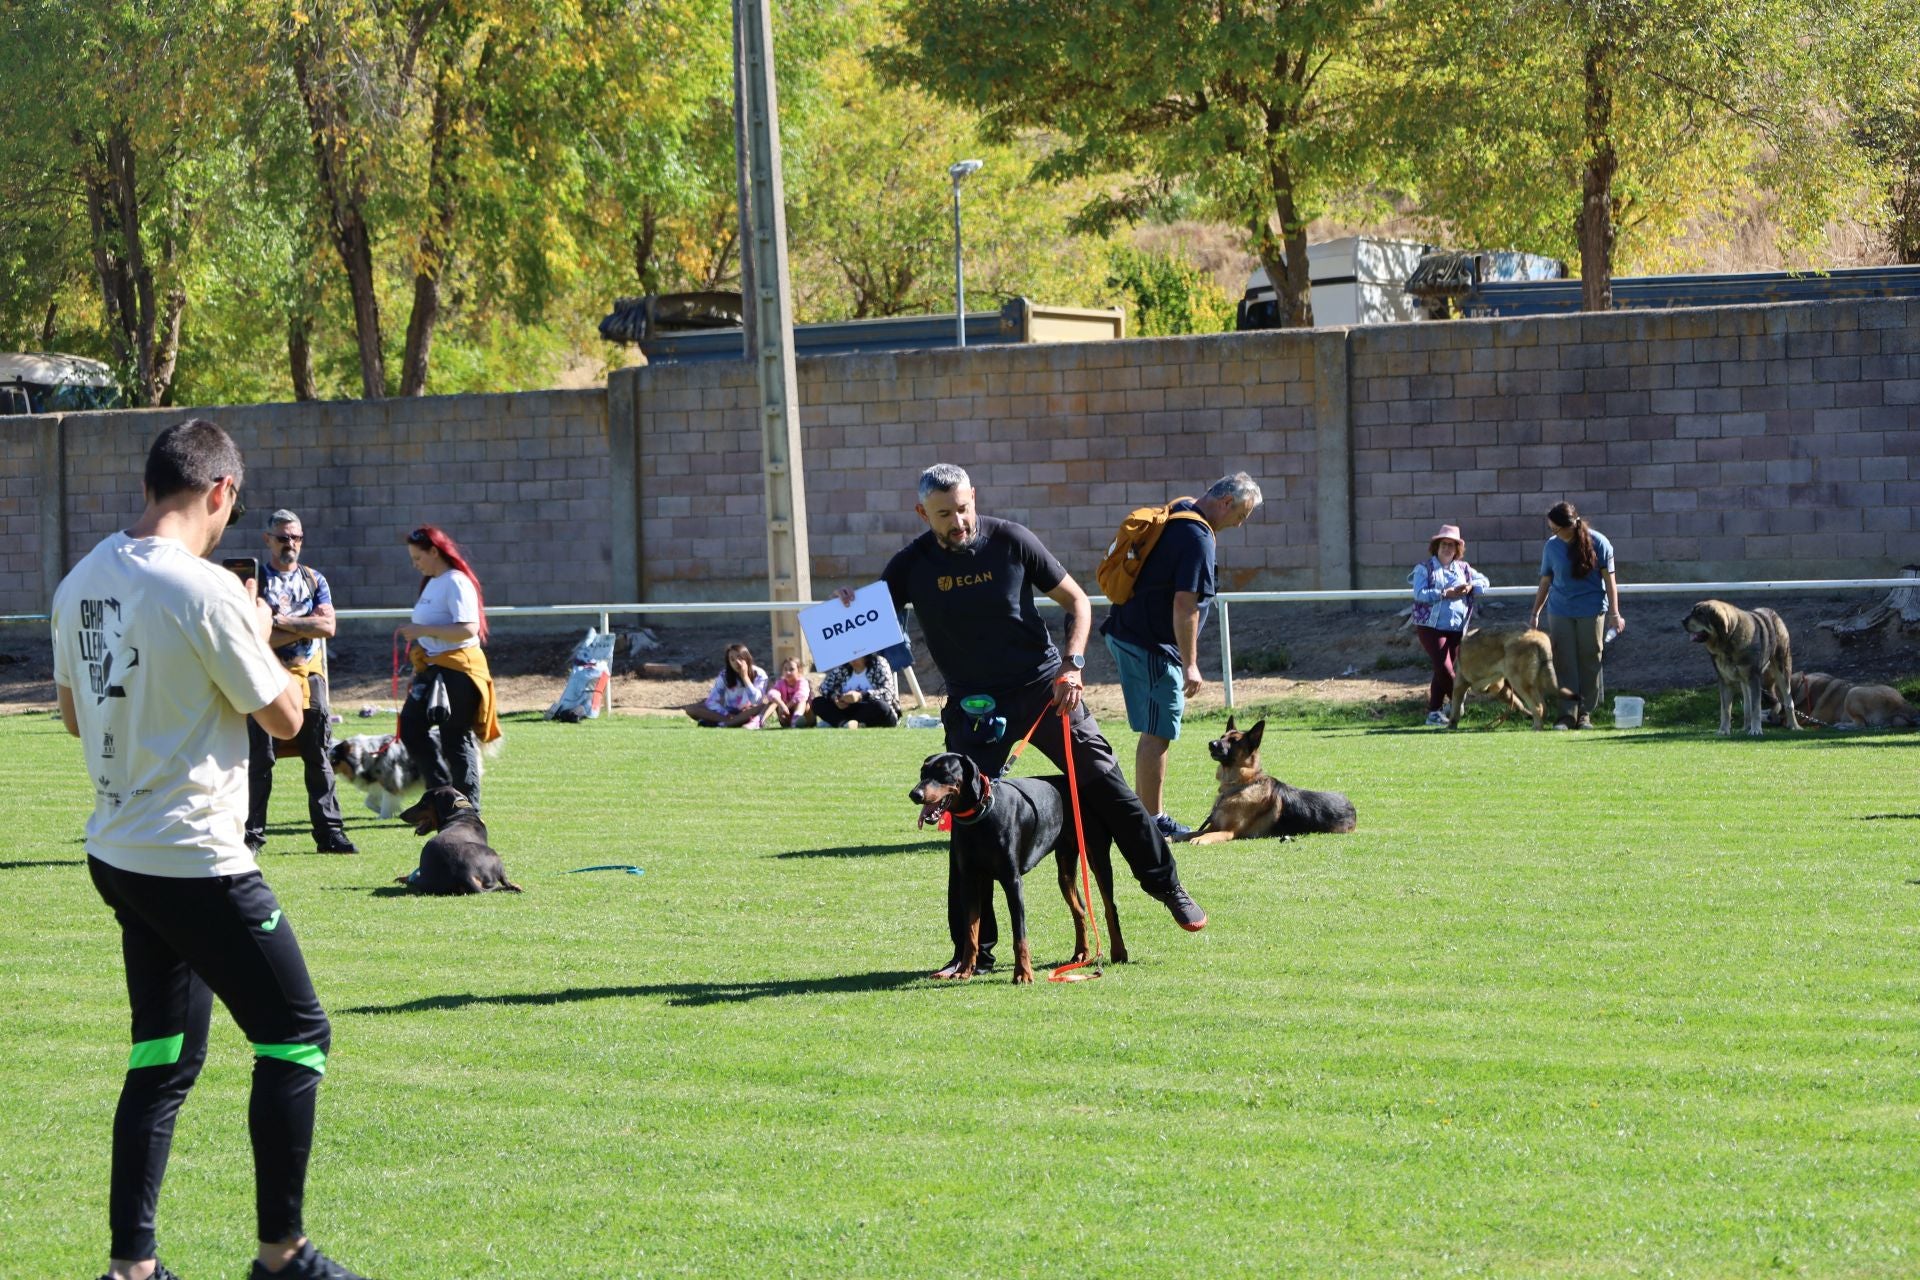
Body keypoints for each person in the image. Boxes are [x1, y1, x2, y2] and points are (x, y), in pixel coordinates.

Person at [49, 419, 371, 1280]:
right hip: (196, 855)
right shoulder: (208, 591)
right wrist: (258, 629)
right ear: (221, 493)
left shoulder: (79, 581)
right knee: (297, 1036)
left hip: (118, 851)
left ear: (151, 484)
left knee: (162, 1054)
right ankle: (282, 1255)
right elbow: (289, 720)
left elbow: (76, 714)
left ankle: (132, 1269)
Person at [836, 462, 1207, 978]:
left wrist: (1073, 666)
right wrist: (850, 611)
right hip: (972, 703)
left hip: (1044, 689)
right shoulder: (910, 565)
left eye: (963, 507)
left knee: (1105, 782)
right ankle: (973, 951)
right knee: (964, 819)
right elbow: (867, 633)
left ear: (973, 498)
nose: (959, 521)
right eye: (944, 514)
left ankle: (1168, 887)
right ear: (923, 513)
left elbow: (1077, 602)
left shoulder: (1012, 540)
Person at [1098, 472, 1262, 835]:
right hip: (1152, 644)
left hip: (1130, 632)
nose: (1241, 523)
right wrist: (1190, 664)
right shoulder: (1197, 536)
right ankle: (1151, 821)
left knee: (1155, 728)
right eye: (1242, 514)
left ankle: (1144, 816)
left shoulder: (1180, 509)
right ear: (1226, 503)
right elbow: (1185, 603)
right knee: (1158, 731)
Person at [245, 509, 356, 854]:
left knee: (318, 756)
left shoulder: (314, 580)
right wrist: (303, 622)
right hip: (263, 676)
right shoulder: (255, 581)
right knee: (259, 759)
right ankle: (251, 836)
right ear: (268, 540)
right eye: (282, 538)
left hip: (308, 672)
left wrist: (279, 621)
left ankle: (330, 834)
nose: (290, 544)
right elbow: (253, 636)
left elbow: (328, 628)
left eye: (296, 537)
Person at [398, 525, 501, 807]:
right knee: (410, 727)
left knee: (455, 737)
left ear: (434, 551)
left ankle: (468, 807)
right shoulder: (434, 581)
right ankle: (443, 794)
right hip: (433, 668)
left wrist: (423, 630)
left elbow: (469, 629)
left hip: (457, 669)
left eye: (418, 558)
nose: (415, 565)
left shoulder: (456, 581)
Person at [1527, 500, 1626, 730]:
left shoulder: (1599, 543)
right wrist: (1535, 612)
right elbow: (1545, 580)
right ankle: (1566, 715)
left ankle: (1584, 714)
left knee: (1590, 660)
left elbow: (1610, 582)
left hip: (1591, 611)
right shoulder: (1551, 547)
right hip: (1560, 611)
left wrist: (1615, 613)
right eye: (1550, 529)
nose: (1553, 534)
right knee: (1564, 662)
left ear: (1571, 524)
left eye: (1556, 529)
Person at [1409, 523, 1490, 727]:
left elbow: (1485, 583)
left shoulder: (1464, 569)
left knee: (1440, 671)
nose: (1447, 548)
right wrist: (1445, 593)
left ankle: (1434, 713)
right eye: (1444, 544)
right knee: (1445, 669)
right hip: (1430, 627)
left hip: (1456, 628)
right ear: (1436, 546)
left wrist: (1471, 587)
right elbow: (1419, 594)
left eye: (1452, 545)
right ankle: (1457, 701)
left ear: (1457, 550)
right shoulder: (1424, 568)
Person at [684, 643, 772, 727]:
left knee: (764, 707)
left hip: (747, 712)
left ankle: (721, 723)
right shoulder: (724, 675)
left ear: (747, 658)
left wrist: (745, 677)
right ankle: (731, 722)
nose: (737, 662)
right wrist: (727, 714)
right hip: (727, 714)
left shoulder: (759, 674)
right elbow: (711, 702)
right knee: (691, 709)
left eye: (740, 657)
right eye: (732, 659)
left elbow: (756, 700)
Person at [810, 651, 900, 728]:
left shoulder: (879, 662)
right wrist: (836, 698)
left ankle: (851, 723)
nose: (852, 658)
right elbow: (824, 687)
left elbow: (888, 692)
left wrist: (861, 696)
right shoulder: (843, 667)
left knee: (881, 706)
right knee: (818, 702)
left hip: (871, 708)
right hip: (848, 710)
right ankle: (844, 723)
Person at [763, 656, 811, 728]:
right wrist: (782, 705)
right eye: (785, 669)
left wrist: (787, 706)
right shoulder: (780, 683)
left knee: (802, 701)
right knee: (774, 700)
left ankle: (797, 719)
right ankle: (761, 720)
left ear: (799, 670)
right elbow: (772, 693)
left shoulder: (802, 682)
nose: (788, 672)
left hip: (805, 715)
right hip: (786, 715)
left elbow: (801, 695)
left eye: (791, 669)